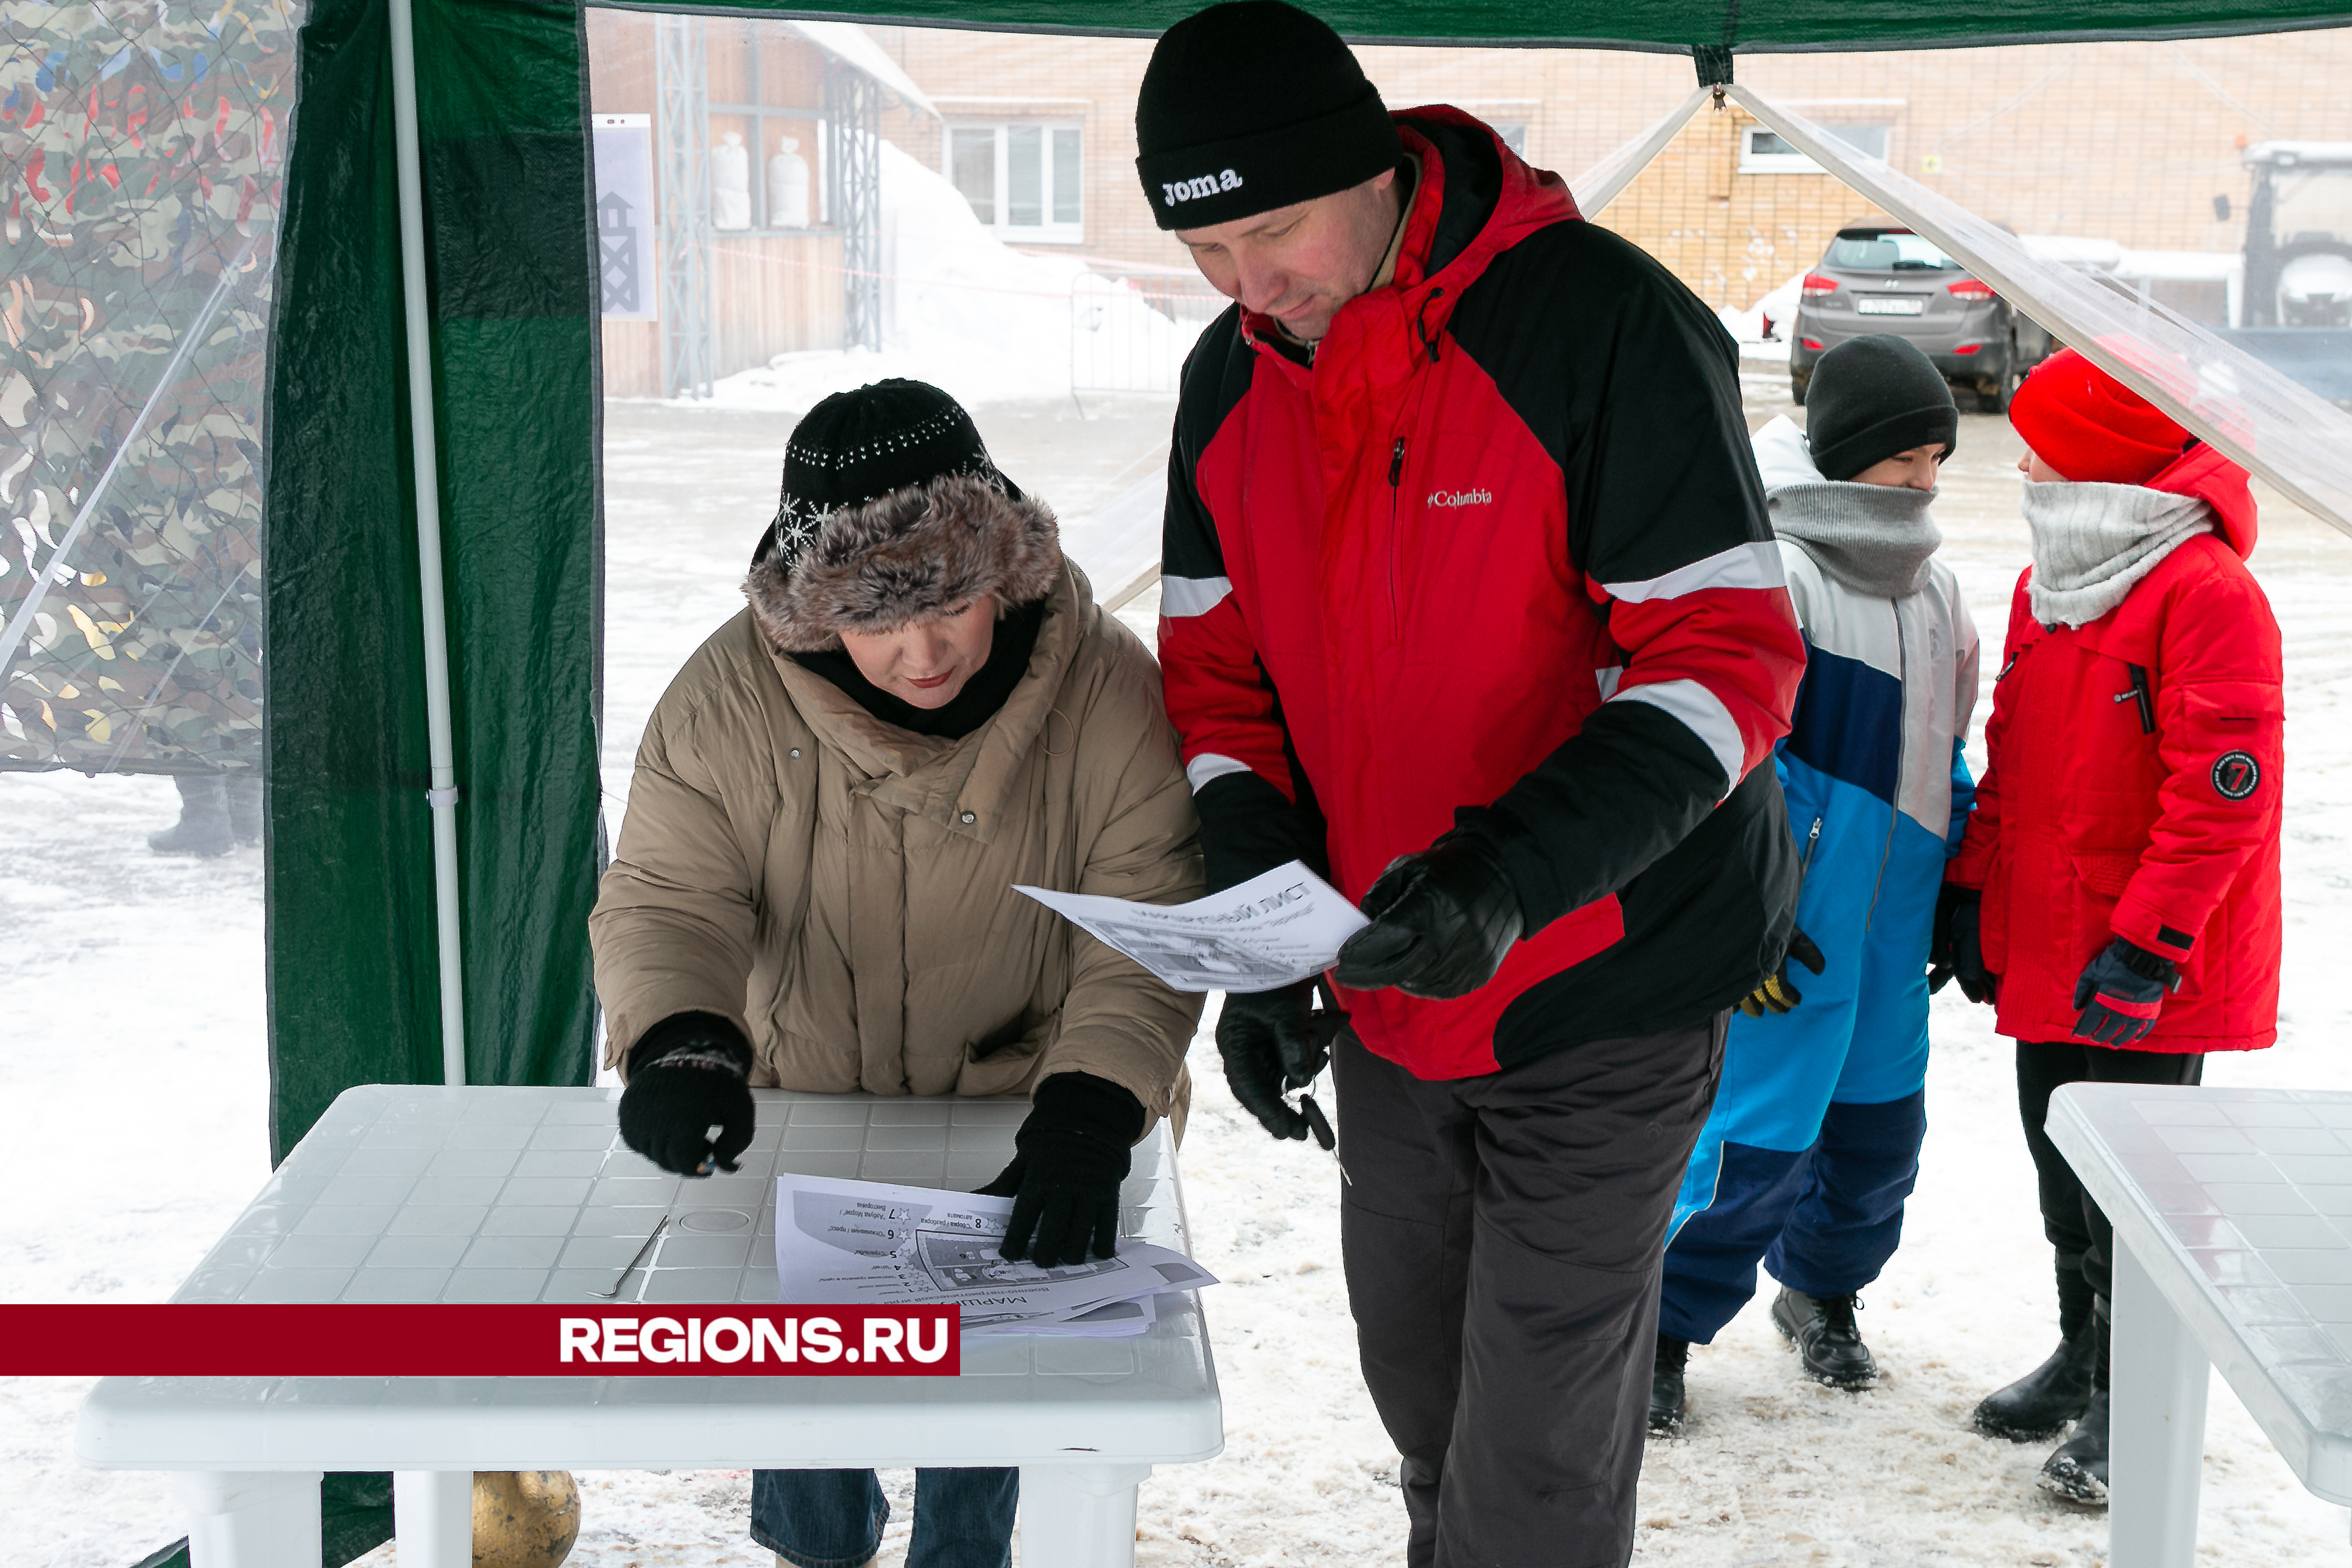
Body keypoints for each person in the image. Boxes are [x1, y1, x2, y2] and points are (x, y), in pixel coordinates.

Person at [1141, 5, 1809, 1563]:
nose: (1254, 289)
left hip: (1603, 971)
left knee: (1534, 1464)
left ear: (1367, 168)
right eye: (1208, 253)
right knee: (1424, 1398)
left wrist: (1507, 876)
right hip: (1390, 989)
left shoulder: (1596, 325)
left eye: (1276, 231)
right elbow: (1218, 684)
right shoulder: (1228, 387)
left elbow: (1723, 662)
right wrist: (1264, 927)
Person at [588, 380, 1206, 1568]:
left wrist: (1093, 1104)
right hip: (809, 1114)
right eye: (875, 619)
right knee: (803, 1387)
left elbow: (1147, 910)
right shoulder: (721, 697)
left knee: (983, 1402)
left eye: (949, 604)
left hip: (1030, 1119)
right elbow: (674, 893)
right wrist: (679, 1040)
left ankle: (964, 1551)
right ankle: (817, 1546)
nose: (921, 652)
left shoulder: (1112, 689)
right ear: (813, 611)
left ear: (1002, 572)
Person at [1937, 348, 2283, 1506]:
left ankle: (2135, 1398)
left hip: (2146, 959)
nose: (2022, 460)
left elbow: (2224, 792)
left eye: (2044, 440)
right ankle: (2080, 1354)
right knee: (2055, 1153)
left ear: (2103, 454)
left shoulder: (2201, 589)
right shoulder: (2059, 579)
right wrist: (1972, 888)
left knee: (2135, 1191)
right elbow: (2015, 751)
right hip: (2048, 932)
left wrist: (2149, 947)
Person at [1650, 336, 1979, 1437]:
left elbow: (1946, 751)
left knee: (1878, 1140)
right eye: (1905, 456)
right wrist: (1743, 910)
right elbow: (1734, 766)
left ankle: (1823, 1290)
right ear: (1844, 453)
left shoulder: (1938, 592)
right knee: (1746, 1146)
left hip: (1891, 929)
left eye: (1937, 455)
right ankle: (1658, 1330)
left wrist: (1963, 876)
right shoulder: (1777, 571)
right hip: (1790, 936)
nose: (1926, 477)